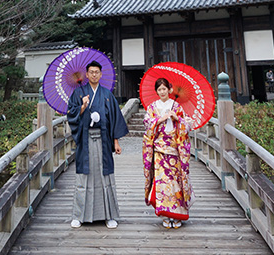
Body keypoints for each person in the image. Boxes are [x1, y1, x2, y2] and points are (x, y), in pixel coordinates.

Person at [66, 61, 129, 229]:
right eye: (91, 72)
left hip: (104, 140)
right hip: (85, 140)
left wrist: (116, 141)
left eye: (97, 72)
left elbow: (115, 119)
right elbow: (71, 115)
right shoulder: (78, 93)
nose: (94, 75)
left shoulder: (107, 95)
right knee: (84, 176)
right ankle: (79, 216)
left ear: (101, 75)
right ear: (86, 75)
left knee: (105, 176)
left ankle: (109, 215)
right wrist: (82, 106)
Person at [142, 78, 193, 229]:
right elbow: (147, 123)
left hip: (175, 148)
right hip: (159, 149)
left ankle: (177, 214)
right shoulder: (152, 107)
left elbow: (188, 124)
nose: (162, 92)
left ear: (169, 90)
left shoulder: (176, 106)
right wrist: (159, 119)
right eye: (159, 90)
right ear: (156, 91)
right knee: (162, 183)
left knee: (176, 182)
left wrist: (178, 119)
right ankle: (165, 214)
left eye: (164, 89)